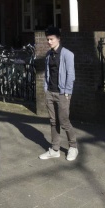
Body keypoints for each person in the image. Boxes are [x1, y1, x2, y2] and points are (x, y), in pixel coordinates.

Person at [39, 26, 78, 161]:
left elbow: (71, 74)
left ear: (58, 39)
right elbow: (47, 73)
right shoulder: (48, 55)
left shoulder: (67, 54)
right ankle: (55, 149)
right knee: (53, 121)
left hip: (62, 94)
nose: (49, 42)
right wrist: (45, 88)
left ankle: (73, 147)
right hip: (50, 92)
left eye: (51, 39)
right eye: (48, 39)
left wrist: (67, 92)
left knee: (64, 121)